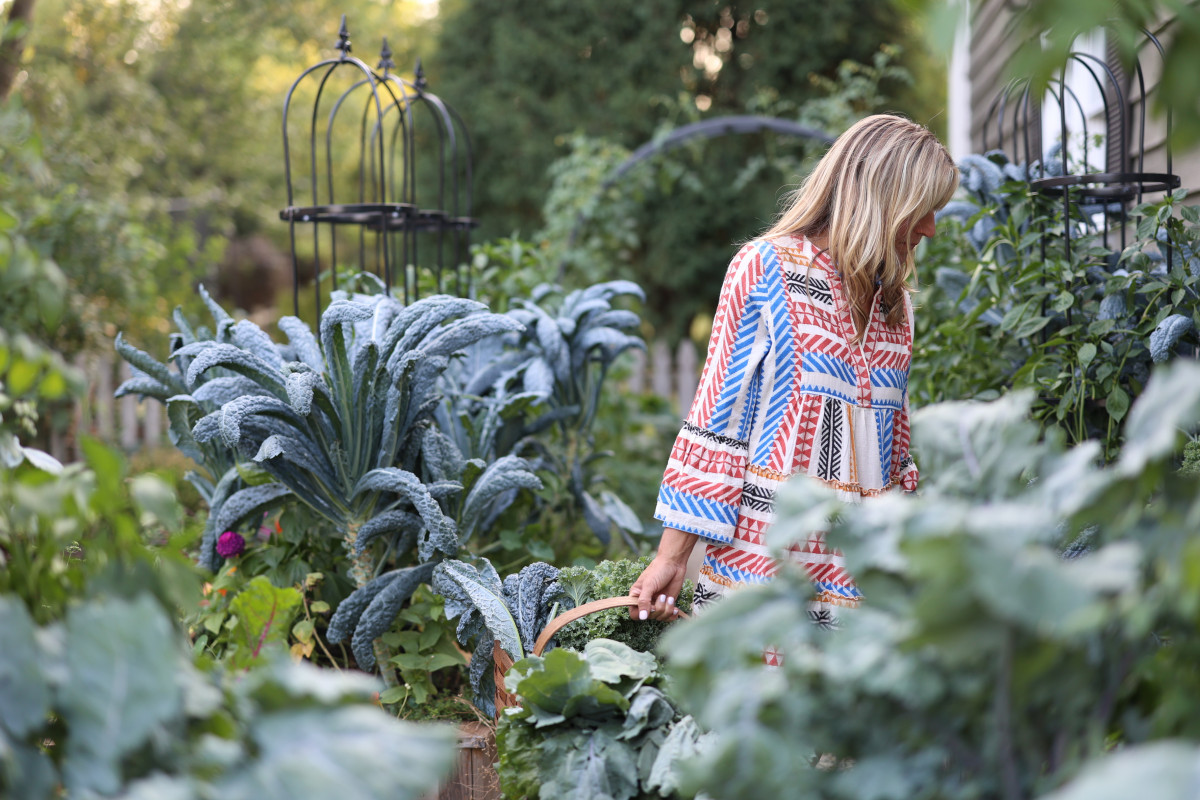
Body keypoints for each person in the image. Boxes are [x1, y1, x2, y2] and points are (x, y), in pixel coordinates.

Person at [630, 114, 959, 628]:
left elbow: (895, 454)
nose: (930, 229)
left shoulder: (897, 306)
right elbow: (720, 422)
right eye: (923, 209)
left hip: (864, 590)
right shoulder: (766, 270)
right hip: (767, 580)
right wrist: (671, 559)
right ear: (881, 197)